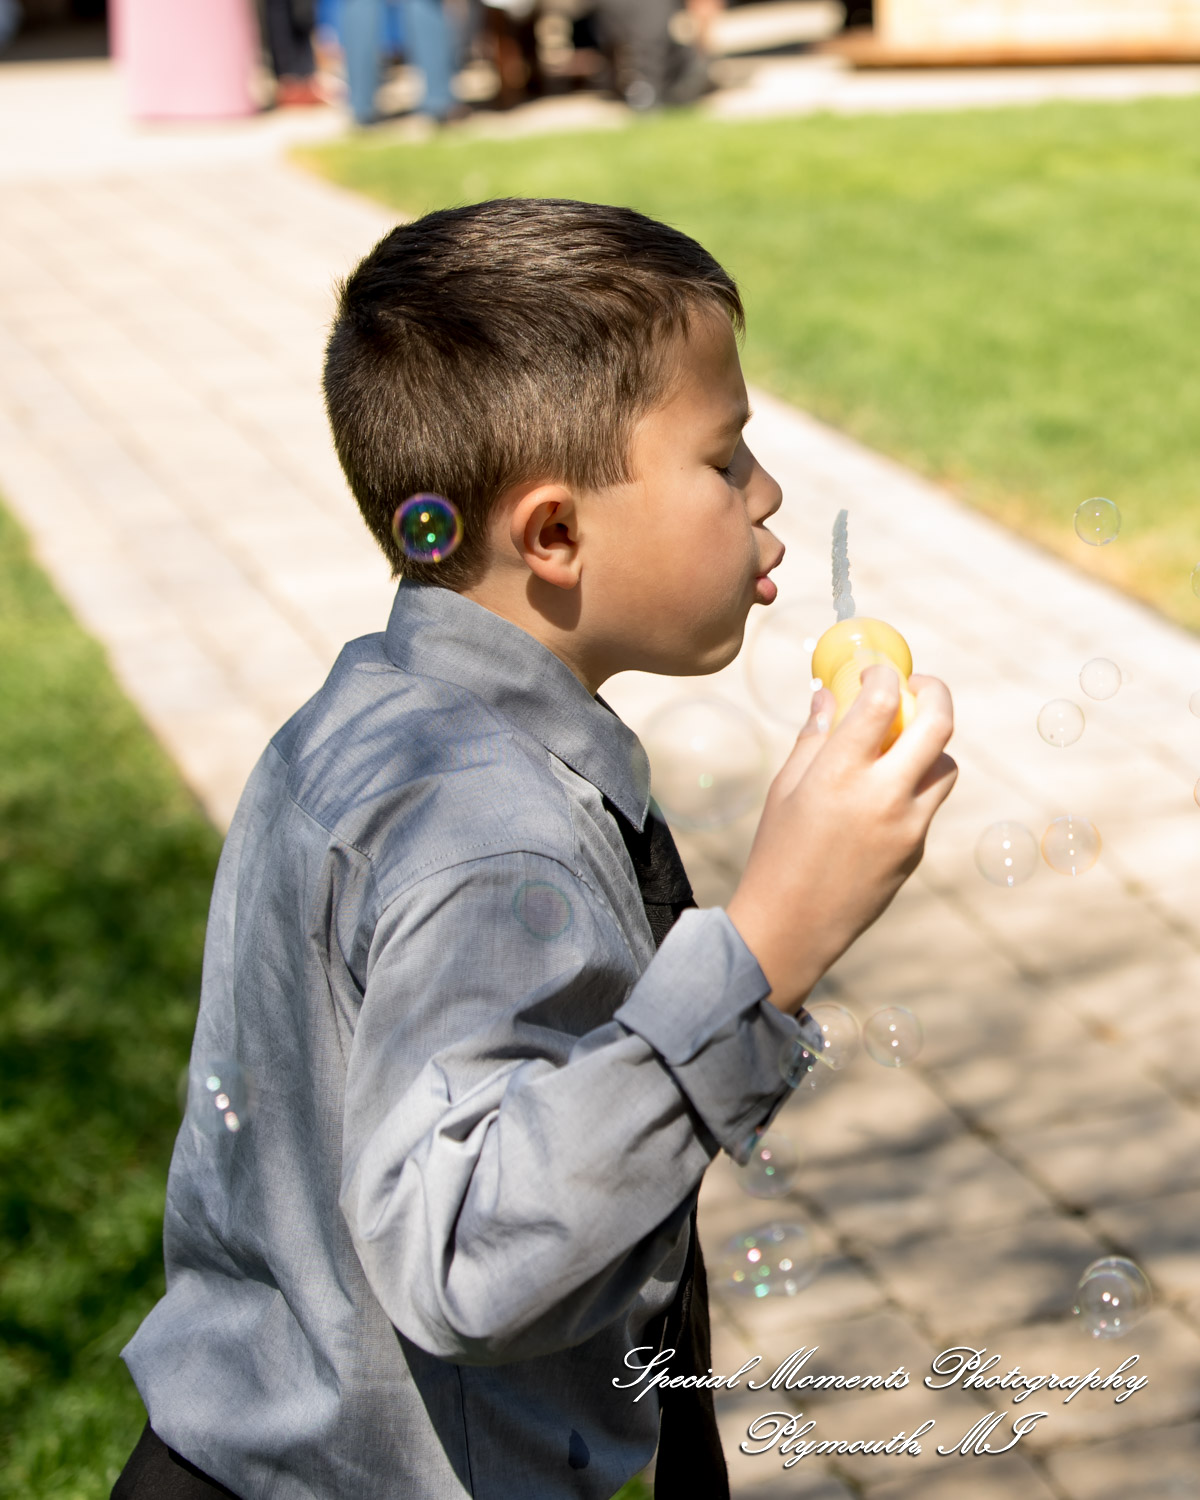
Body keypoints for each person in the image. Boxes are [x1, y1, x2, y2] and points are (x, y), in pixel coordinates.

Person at [112, 198, 957, 1499]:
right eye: (725, 459)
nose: (768, 491)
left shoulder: (375, 723)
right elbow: (467, 1260)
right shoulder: (482, 835)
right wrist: (771, 945)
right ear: (555, 536)